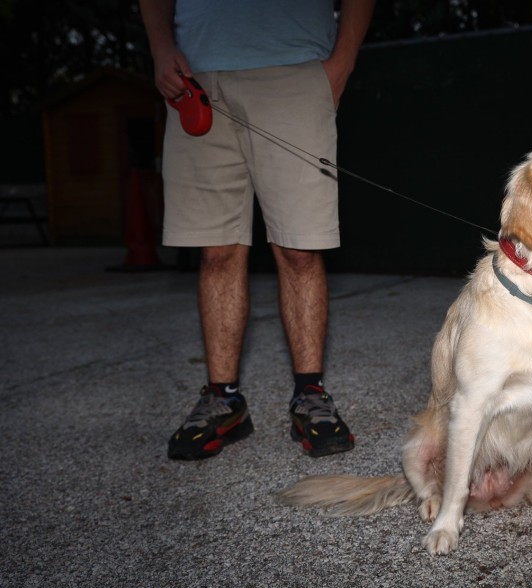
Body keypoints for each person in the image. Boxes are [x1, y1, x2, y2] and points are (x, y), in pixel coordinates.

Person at [139, 0, 376, 460]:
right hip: (195, 79)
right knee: (216, 250)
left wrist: (341, 63)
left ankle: (310, 393)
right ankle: (223, 398)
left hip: (296, 71)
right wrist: (161, 47)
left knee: (301, 248)